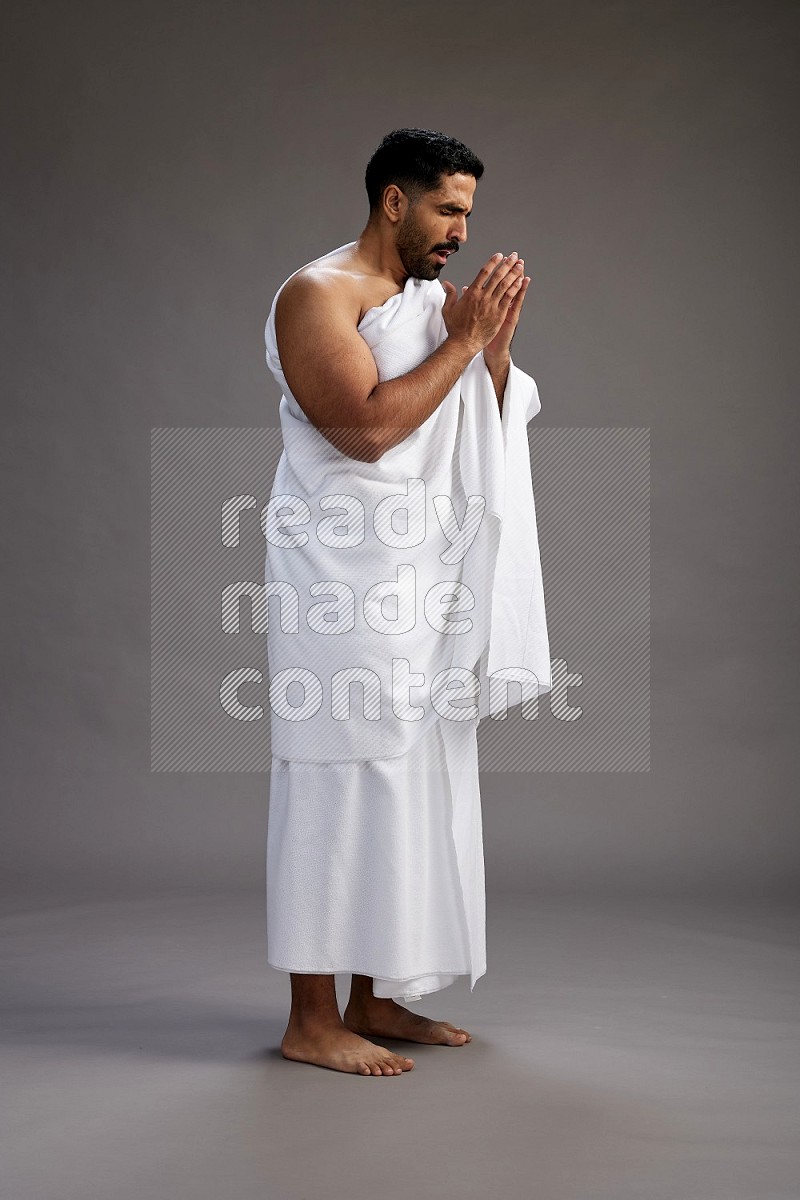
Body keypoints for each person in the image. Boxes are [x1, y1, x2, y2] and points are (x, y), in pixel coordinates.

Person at [263, 128, 550, 1076]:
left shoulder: (429, 303)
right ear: (394, 200)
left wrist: (491, 353)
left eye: (468, 211)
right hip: (340, 589)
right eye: (448, 209)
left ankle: (376, 997)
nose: (461, 231)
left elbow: (481, 417)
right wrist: (465, 340)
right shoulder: (318, 295)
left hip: (428, 580)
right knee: (336, 778)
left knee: (417, 779)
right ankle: (311, 1017)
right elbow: (364, 430)